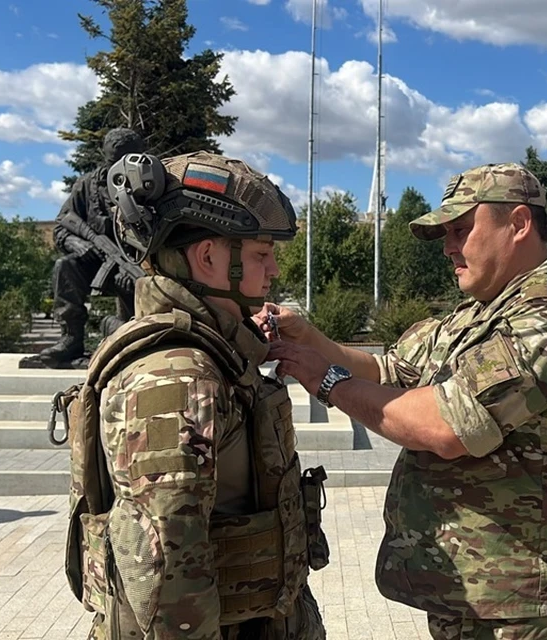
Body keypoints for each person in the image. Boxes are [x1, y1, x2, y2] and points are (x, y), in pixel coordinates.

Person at [259, 162, 547, 640]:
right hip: (476, 591)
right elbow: (388, 371)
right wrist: (308, 337)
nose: (449, 246)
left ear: (519, 224)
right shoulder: (474, 315)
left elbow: (448, 427)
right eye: (445, 233)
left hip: (532, 603)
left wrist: (327, 381)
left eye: (461, 229)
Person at [65, 150, 328, 639]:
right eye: (259, 254)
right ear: (208, 257)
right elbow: (167, 578)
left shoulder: (216, 357)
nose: (273, 269)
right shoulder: (176, 378)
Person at [30, 128, 147, 368]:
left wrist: (138, 265)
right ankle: (71, 339)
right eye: (112, 161)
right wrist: (80, 244)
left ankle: (124, 334)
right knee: (65, 266)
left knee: (140, 294)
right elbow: (62, 227)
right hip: (95, 261)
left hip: (135, 266)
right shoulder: (86, 186)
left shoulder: (149, 188)